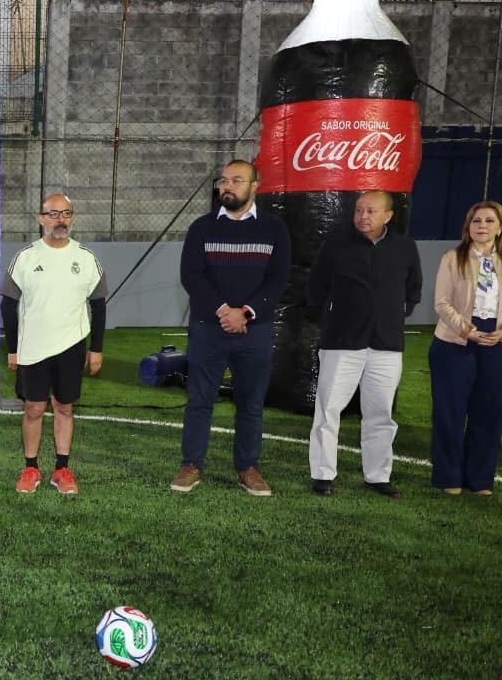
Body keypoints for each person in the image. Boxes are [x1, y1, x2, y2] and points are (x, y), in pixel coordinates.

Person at [172, 160, 290, 496]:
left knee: (251, 403)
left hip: (255, 332)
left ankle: (248, 468)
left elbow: (278, 279)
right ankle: (191, 464)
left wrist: (247, 313)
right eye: (223, 180)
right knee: (199, 400)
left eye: (236, 180)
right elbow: (192, 276)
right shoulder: (201, 228)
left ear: (255, 185)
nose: (227, 186)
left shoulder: (275, 229)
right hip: (208, 328)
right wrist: (225, 311)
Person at [307, 189, 422, 498]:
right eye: (359, 210)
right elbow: (315, 288)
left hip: (386, 346)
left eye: (371, 211)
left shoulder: (405, 247)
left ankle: (377, 476)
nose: (363, 216)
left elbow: (413, 292)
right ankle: (322, 474)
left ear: (388, 215)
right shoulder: (336, 245)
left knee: (381, 413)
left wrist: (387, 316)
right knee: (329, 409)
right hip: (342, 343)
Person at [1, 193, 107, 496]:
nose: (60, 220)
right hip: (33, 347)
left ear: (72, 218)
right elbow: (8, 305)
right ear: (41, 219)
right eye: (53, 214)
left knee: (64, 406)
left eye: (66, 213)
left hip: (72, 346)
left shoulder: (86, 259)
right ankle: (31, 467)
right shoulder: (25, 257)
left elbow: (99, 305)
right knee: (33, 408)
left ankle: (62, 468)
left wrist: (96, 348)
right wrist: (13, 349)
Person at [428, 201, 502, 495]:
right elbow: (441, 303)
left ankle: (480, 479)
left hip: (495, 347)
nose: (482, 226)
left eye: (489, 221)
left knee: (489, 414)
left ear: (499, 228)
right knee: (450, 412)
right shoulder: (452, 258)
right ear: (468, 227)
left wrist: (499, 333)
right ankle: (448, 478)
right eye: (476, 221)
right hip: (454, 345)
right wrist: (467, 330)